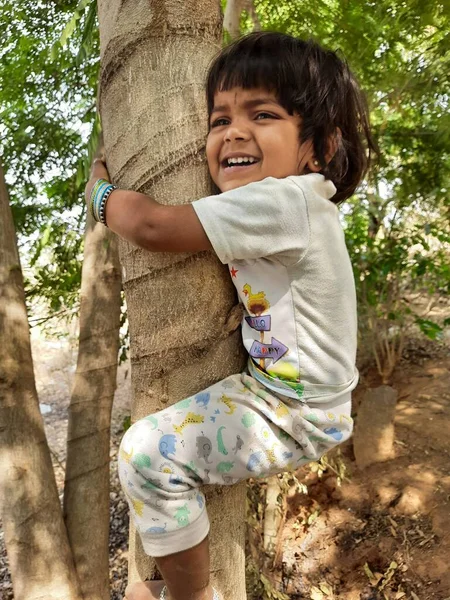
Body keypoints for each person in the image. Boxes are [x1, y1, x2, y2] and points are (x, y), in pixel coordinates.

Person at [86, 31, 375, 600]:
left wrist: (98, 193)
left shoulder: (285, 201)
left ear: (317, 146)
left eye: (262, 113)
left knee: (149, 456)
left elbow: (150, 226)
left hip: (296, 410)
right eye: (219, 120)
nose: (235, 131)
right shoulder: (290, 205)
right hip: (296, 397)